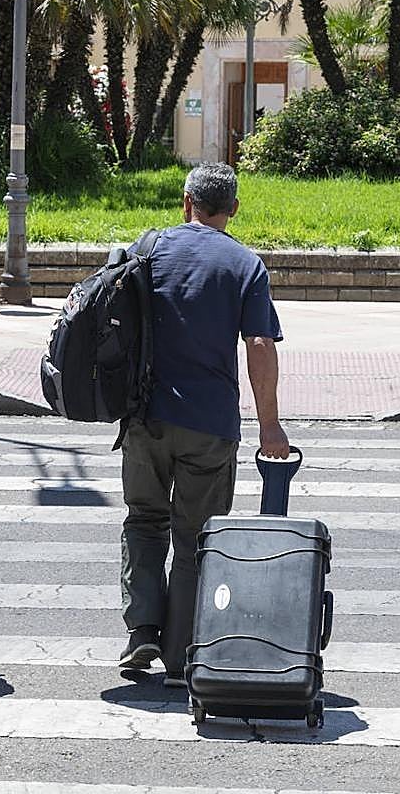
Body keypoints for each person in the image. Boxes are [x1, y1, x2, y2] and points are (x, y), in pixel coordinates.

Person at [117, 162, 290, 689]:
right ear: (233, 209)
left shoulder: (144, 250)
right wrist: (270, 426)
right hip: (210, 426)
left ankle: (142, 627)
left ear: (184, 200)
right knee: (196, 539)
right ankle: (180, 652)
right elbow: (258, 346)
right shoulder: (244, 264)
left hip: (144, 418)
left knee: (145, 521)